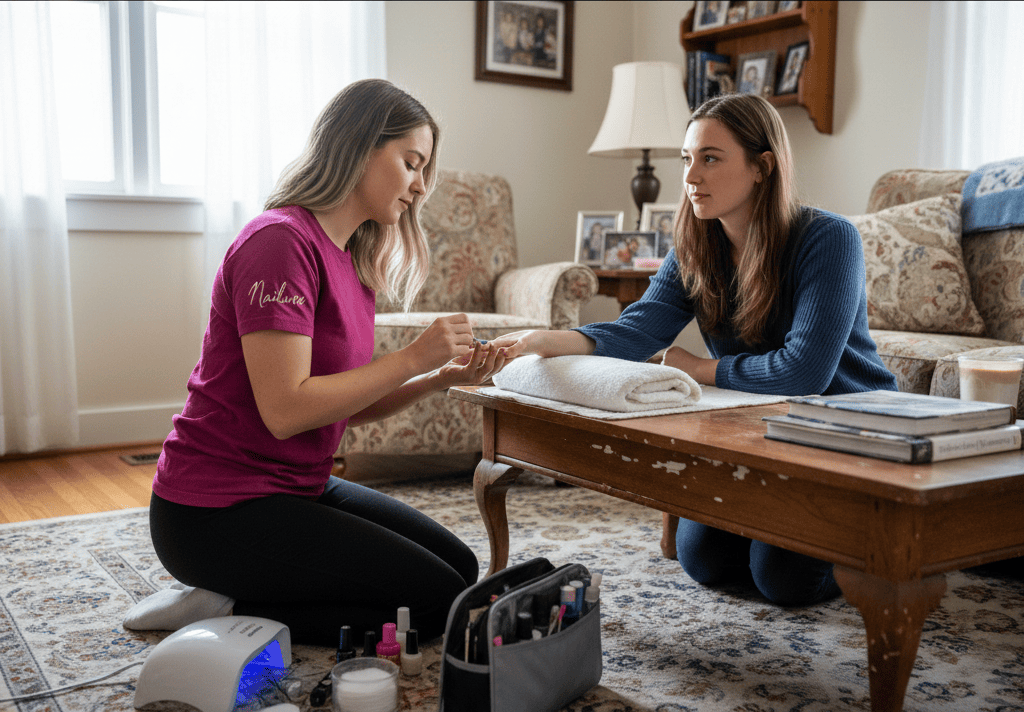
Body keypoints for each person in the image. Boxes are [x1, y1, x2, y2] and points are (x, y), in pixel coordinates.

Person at [125, 79, 508, 646]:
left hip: (295, 487)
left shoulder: (353, 259)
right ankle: (228, 606)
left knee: (462, 571)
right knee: (435, 606)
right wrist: (410, 356)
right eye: (412, 162)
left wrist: (436, 377)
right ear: (359, 147)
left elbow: (342, 403)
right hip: (212, 512)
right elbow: (286, 410)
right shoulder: (279, 243)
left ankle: (252, 592)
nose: (423, 186)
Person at [491, 93, 899, 607]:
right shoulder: (695, 244)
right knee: (703, 561)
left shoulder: (829, 238)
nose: (691, 176)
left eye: (710, 158)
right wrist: (547, 341)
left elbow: (805, 372)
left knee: (782, 580)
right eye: (687, 159)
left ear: (761, 167)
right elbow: (642, 327)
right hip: (760, 433)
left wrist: (696, 368)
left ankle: (874, 537)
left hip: (844, 432)